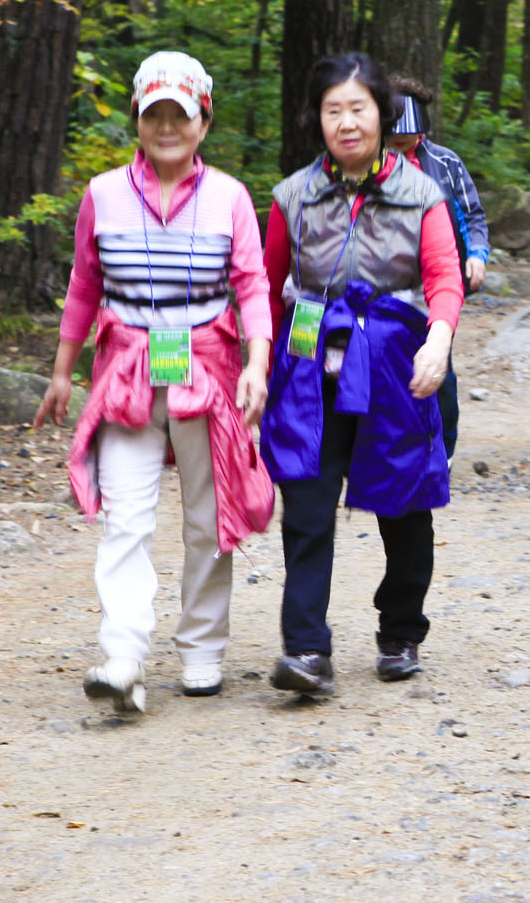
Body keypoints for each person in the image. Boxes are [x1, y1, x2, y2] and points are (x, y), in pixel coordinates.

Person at [35, 52, 275, 716]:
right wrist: (61, 373)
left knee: (208, 517)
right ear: (138, 120)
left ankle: (202, 650)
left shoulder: (230, 197)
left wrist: (257, 365)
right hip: (125, 374)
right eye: (154, 114)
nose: (167, 126)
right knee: (126, 518)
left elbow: (252, 285)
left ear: (204, 120)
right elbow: (84, 284)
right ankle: (123, 658)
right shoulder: (102, 193)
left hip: (209, 371)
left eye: (181, 114)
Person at [259, 52, 462, 694]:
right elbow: (265, 287)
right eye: (333, 110)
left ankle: (401, 630)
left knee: (404, 502)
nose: (347, 122)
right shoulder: (292, 196)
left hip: (395, 365)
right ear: (317, 119)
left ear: (382, 113)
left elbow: (445, 277)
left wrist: (439, 339)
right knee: (306, 503)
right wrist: (256, 368)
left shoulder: (421, 193)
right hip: (307, 364)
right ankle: (306, 650)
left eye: (358, 108)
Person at [387, 75, 489, 461]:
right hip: (386, 281)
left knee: (437, 362)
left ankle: (443, 449)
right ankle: (397, 447)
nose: (401, 141)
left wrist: (477, 254)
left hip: (439, 279)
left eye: (407, 135)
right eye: (394, 135)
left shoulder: (446, 163)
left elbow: (472, 214)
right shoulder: (366, 164)